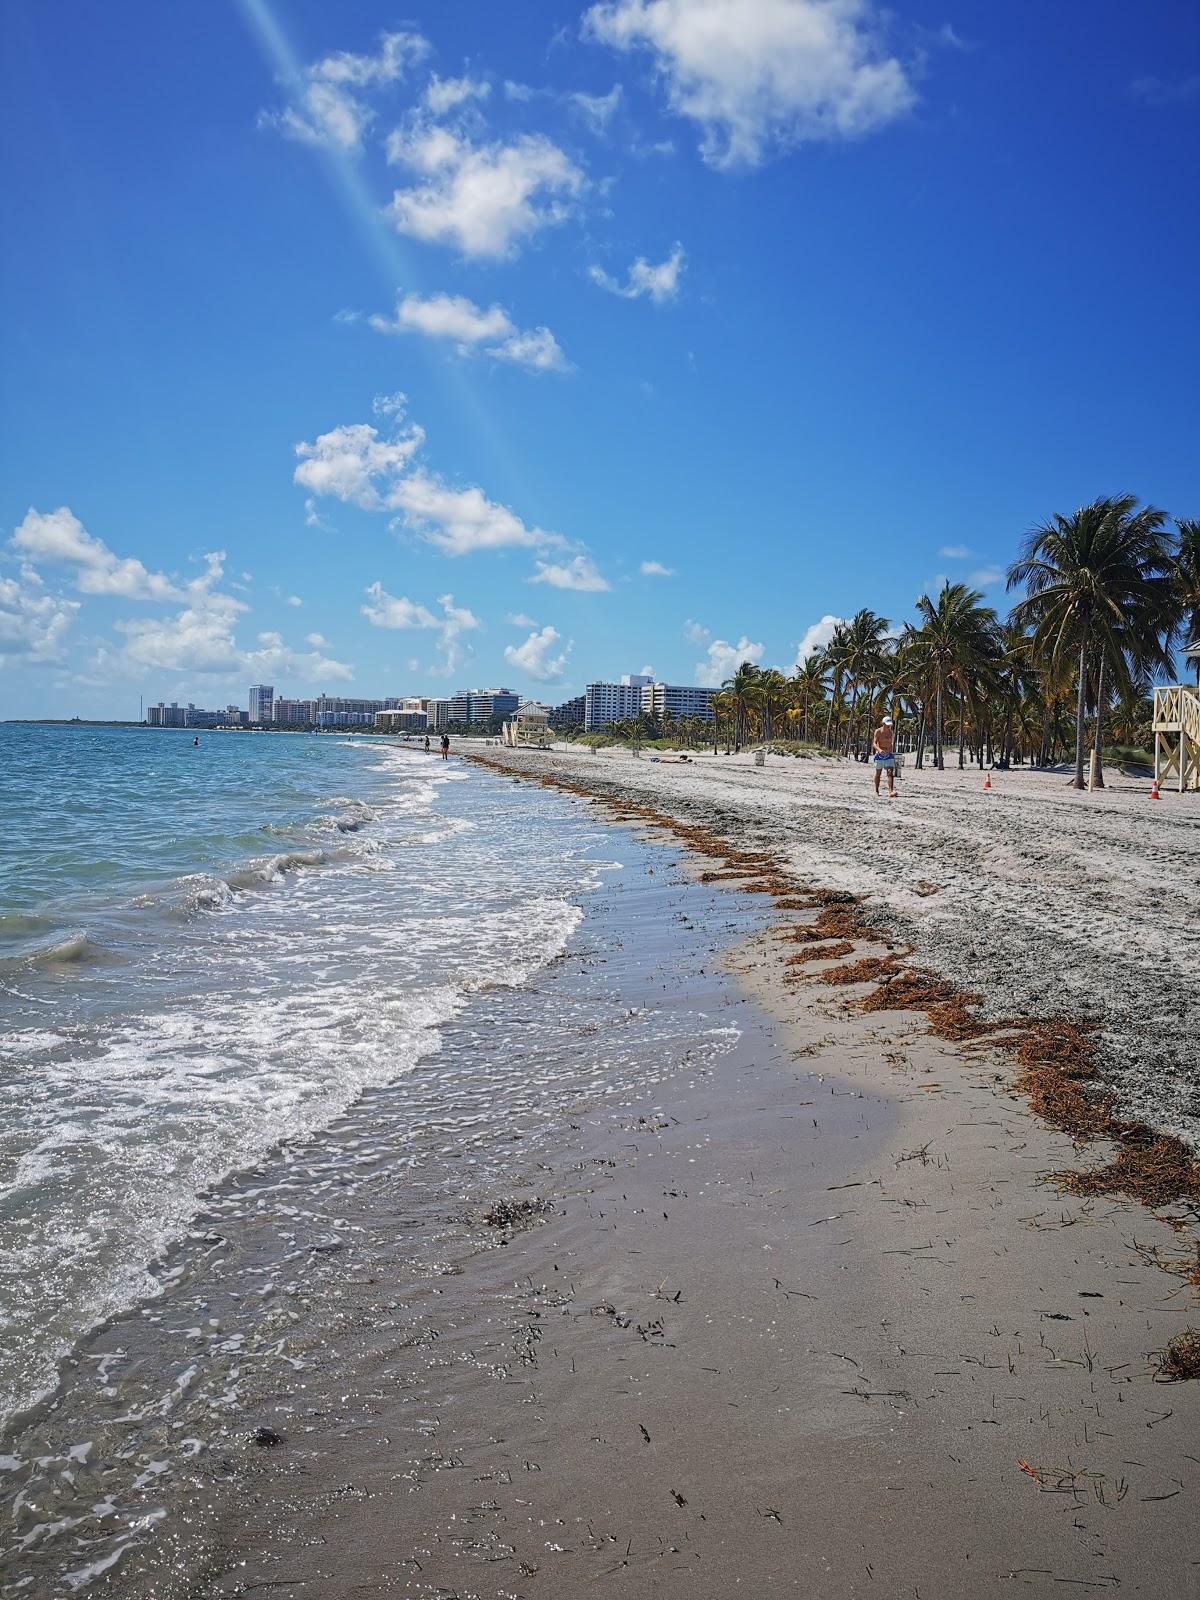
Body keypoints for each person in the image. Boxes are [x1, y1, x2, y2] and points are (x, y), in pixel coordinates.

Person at [872, 715, 896, 797]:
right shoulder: (878, 731)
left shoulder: (891, 732)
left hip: (888, 754)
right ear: (883, 723)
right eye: (887, 724)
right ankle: (876, 790)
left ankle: (891, 791)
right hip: (880, 754)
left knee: (890, 772)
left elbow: (891, 743)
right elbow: (874, 743)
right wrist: (879, 750)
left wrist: (890, 749)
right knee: (878, 773)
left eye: (889, 725)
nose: (888, 726)